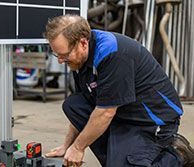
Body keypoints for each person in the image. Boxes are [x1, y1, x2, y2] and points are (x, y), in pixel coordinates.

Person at [43, 14, 194, 167]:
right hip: (123, 114)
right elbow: (88, 101)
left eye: (64, 55)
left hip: (152, 120)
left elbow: (106, 112)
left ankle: (178, 155)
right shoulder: (79, 59)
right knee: (73, 104)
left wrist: (78, 148)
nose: (60, 61)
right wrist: (68, 145)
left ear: (83, 43)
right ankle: (118, 158)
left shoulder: (112, 52)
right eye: (57, 55)